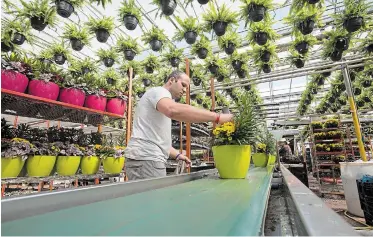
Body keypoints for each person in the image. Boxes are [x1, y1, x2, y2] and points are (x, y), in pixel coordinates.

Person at [124, 70, 233, 180]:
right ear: (172, 80)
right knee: (155, 197)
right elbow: (172, 110)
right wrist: (218, 117)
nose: (185, 90)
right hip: (146, 159)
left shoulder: (160, 102)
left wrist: (177, 155)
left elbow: (156, 139)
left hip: (146, 159)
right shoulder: (159, 92)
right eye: (183, 85)